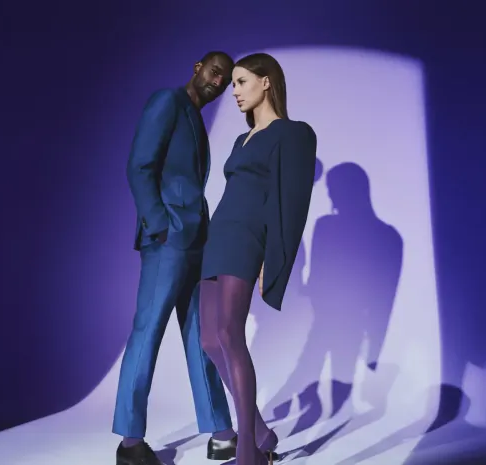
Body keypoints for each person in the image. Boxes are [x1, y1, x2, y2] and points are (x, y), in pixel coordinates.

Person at [113, 52, 240, 465]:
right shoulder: (167, 101)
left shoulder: (194, 117)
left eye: (225, 80)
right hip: (167, 241)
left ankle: (221, 432)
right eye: (214, 71)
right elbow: (139, 166)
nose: (218, 82)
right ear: (197, 67)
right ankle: (131, 444)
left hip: (194, 242)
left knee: (201, 337)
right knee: (147, 332)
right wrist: (160, 225)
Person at [198, 53, 318, 465]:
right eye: (232, 83)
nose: (233, 91)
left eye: (241, 81)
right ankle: (263, 432)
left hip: (248, 239)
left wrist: (274, 258)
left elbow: (292, 203)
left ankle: (249, 452)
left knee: (231, 335)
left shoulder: (294, 134)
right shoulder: (240, 140)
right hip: (219, 237)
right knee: (208, 341)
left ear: (267, 82)